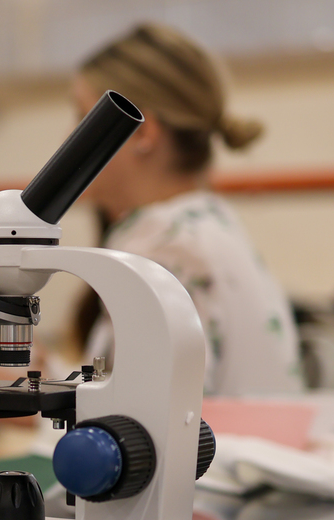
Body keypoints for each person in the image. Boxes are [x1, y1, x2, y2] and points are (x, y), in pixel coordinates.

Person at [72, 23, 302, 395]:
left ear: (142, 133)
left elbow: (145, 422)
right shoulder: (205, 224)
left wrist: (33, 411)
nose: (70, 140)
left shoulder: (163, 244)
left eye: (81, 118)